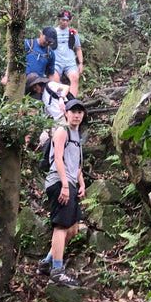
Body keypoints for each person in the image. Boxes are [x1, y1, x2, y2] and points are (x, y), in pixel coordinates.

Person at [37, 98, 86, 287]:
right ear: (66, 113)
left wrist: (81, 184)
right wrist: (65, 185)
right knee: (61, 226)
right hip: (59, 182)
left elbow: (77, 165)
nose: (76, 115)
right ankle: (57, 271)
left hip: (71, 183)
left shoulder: (77, 135)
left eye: (80, 112)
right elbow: (58, 158)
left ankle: (47, 262)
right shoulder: (62, 131)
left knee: (72, 230)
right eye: (73, 111)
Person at [49, 10, 83, 97]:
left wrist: (81, 63)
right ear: (59, 19)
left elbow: (78, 49)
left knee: (75, 77)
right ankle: (58, 101)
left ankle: (72, 101)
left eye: (67, 20)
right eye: (63, 20)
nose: (65, 22)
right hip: (56, 62)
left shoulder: (73, 33)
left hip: (70, 62)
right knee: (54, 82)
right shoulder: (53, 32)